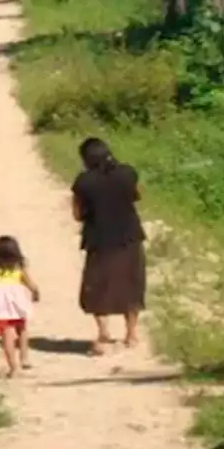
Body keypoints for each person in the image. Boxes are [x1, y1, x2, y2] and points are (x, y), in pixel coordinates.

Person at [70, 137, 147, 355]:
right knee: (132, 283)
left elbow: (77, 214)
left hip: (99, 239)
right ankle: (131, 334)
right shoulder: (127, 173)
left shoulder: (84, 182)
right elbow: (138, 195)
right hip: (130, 237)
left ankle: (104, 333)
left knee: (97, 286)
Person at [0, 236, 40, 378]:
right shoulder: (18, 267)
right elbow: (30, 283)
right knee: (22, 329)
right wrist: (35, 293)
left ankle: (13, 367)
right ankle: (24, 357)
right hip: (18, 303)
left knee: (6, 335)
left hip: (1, 306)